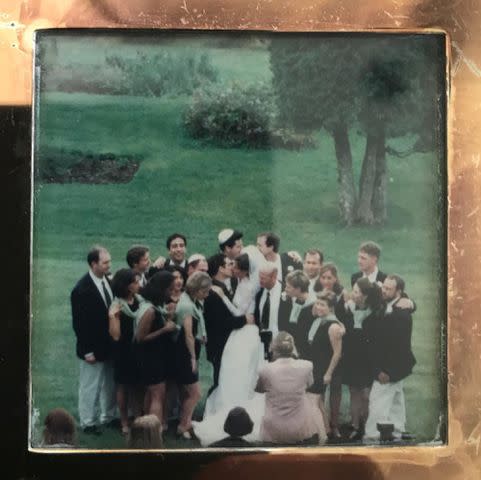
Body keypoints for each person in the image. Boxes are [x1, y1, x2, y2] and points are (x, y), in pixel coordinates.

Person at [364, 275, 416, 442]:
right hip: (397, 367)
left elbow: (395, 348)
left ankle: (372, 435)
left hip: (390, 367)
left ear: (399, 292)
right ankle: (397, 430)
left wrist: (383, 371)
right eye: (384, 287)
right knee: (396, 398)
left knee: (378, 400)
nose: (384, 291)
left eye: (388, 289)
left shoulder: (400, 316)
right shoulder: (391, 304)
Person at [71, 245, 117, 435]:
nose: (109, 265)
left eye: (109, 262)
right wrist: (87, 350)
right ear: (93, 264)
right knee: (90, 385)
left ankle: (108, 416)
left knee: (110, 383)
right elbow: (80, 325)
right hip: (92, 347)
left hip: (109, 345)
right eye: (105, 262)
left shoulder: (107, 280)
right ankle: (88, 422)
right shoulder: (82, 290)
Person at [255, 332, 327, 445]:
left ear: (274, 348)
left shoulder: (265, 369)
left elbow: (259, 389)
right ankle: (323, 437)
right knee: (311, 400)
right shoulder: (307, 366)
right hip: (300, 427)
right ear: (293, 348)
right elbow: (309, 385)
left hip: (273, 428)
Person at [338, 277, 384, 441]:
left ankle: (367, 424)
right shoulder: (348, 309)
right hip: (352, 356)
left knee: (366, 394)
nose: (353, 293)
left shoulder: (377, 313)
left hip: (368, 359)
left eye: (356, 291)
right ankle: (355, 425)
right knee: (354, 392)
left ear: (364, 296)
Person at [203, 254, 253, 393]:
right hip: (219, 343)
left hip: (229, 342)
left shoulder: (228, 285)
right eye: (229, 264)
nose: (233, 268)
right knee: (221, 380)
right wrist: (244, 320)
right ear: (220, 268)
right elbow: (220, 322)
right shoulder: (213, 292)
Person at [298, 291, 345, 439]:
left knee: (315, 401)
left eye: (322, 305)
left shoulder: (333, 326)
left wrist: (328, 373)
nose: (318, 307)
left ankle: (323, 433)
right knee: (318, 403)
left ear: (331, 308)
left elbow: (337, 353)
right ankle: (325, 430)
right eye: (317, 303)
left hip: (322, 369)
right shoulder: (318, 320)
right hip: (314, 366)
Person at [134, 271, 177, 425]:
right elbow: (141, 337)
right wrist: (165, 329)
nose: (172, 293)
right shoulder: (150, 311)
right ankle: (154, 431)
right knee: (158, 394)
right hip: (150, 357)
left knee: (151, 393)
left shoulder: (154, 306)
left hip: (155, 355)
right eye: (170, 289)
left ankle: (145, 427)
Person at [175, 271, 212, 438]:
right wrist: (192, 358)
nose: (207, 294)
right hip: (184, 353)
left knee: (188, 392)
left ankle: (186, 421)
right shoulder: (187, 306)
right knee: (196, 392)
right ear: (196, 290)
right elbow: (188, 334)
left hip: (189, 351)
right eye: (205, 291)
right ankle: (183, 425)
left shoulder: (193, 301)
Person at [312, 262, 345, 440]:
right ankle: (322, 424)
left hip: (334, 347)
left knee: (336, 390)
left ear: (335, 279)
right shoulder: (318, 294)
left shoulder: (341, 295)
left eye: (329, 277)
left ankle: (335, 424)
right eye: (323, 277)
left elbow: (341, 318)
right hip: (321, 350)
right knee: (320, 393)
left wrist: (341, 325)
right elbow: (314, 313)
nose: (325, 280)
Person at [108, 268, 142, 435]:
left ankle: (137, 418)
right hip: (123, 351)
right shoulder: (117, 305)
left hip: (138, 348)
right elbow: (115, 335)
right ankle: (124, 421)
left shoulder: (139, 300)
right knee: (123, 387)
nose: (139, 284)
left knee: (136, 386)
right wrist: (112, 318)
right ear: (127, 286)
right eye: (135, 282)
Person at [254, 263, 283, 359]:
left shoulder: (284, 292)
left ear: (274, 276)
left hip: (280, 342)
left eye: (263, 278)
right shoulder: (260, 293)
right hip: (263, 342)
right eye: (259, 277)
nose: (260, 281)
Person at [278, 270, 316, 341]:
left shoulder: (314, 306)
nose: (285, 289)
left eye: (288, 287)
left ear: (298, 289)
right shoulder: (291, 299)